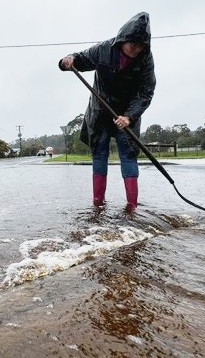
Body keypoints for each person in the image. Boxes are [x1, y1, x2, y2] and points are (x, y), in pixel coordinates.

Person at [59, 12, 156, 212]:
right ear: (123, 39)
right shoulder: (104, 49)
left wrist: (129, 116)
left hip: (128, 114)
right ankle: (98, 204)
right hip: (100, 111)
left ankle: (132, 207)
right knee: (100, 154)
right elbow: (82, 59)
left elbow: (146, 91)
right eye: (133, 44)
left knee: (128, 155)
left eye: (140, 46)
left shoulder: (145, 59)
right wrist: (68, 60)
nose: (136, 49)